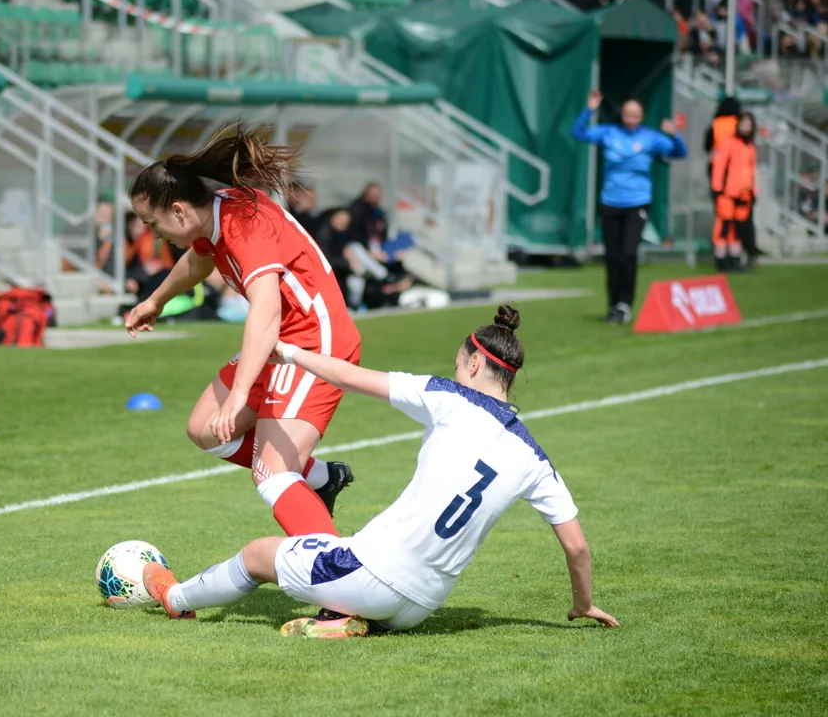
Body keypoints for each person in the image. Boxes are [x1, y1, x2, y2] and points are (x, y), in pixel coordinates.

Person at [141, 306, 620, 638]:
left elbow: (351, 377)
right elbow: (576, 546)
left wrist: (289, 354)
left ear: (474, 363)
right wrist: (582, 603)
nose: (454, 372)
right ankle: (345, 619)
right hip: (423, 606)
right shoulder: (534, 456)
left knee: (257, 555)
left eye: (458, 365)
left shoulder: (447, 397)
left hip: (372, 576)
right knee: (350, 575)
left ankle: (175, 597)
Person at [124, 123, 359, 538]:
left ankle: (338, 583)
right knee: (205, 429)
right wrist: (155, 301)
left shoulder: (240, 226)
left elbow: (266, 308)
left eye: (152, 223)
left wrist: (237, 397)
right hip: (281, 340)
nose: (151, 233)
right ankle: (321, 479)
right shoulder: (213, 217)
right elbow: (198, 263)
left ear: (178, 210)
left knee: (272, 474)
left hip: (314, 340)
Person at [572, 91, 688, 325]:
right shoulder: (609, 133)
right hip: (610, 202)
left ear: (642, 116)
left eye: (635, 115)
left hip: (637, 202)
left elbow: (680, 152)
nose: (630, 119)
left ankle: (625, 303)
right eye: (627, 114)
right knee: (612, 257)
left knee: (628, 253)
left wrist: (675, 134)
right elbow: (578, 132)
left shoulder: (650, 138)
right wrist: (590, 109)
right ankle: (613, 305)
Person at [712, 112, 759, 271]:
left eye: (748, 124)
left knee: (738, 229)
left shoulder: (750, 145)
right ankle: (721, 259)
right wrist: (717, 189)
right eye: (743, 124)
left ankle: (735, 259)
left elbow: (751, 170)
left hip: (744, 194)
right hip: (728, 193)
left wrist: (754, 191)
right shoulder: (728, 142)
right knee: (724, 227)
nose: (745, 127)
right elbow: (719, 166)